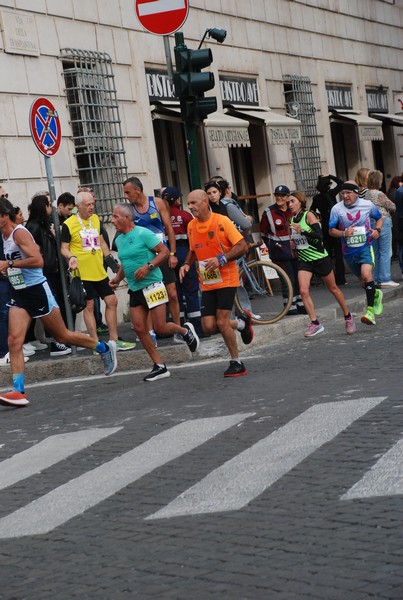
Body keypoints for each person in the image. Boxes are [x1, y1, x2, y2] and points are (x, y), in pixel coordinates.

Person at [0, 197, 117, 408]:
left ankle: (104, 348)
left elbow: (38, 261)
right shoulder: (4, 235)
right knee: (13, 340)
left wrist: (8, 263)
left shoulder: (19, 232)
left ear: (2, 216)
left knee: (62, 335)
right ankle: (18, 391)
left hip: (37, 291)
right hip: (20, 293)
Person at [110, 203, 199, 382]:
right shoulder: (119, 239)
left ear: (127, 218)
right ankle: (159, 365)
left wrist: (149, 266)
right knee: (139, 328)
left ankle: (185, 331)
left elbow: (164, 252)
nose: (112, 220)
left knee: (160, 327)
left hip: (152, 286)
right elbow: (125, 263)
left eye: (115, 217)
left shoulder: (144, 233)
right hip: (135, 289)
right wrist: (118, 278)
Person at [179, 189, 254, 378]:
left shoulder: (222, 221)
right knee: (208, 327)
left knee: (221, 322)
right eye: (188, 203)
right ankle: (242, 323)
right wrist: (187, 264)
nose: (190, 207)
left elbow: (243, 246)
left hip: (227, 278)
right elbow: (193, 249)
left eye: (194, 203)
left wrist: (222, 259)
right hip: (207, 281)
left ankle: (236, 362)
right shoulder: (191, 226)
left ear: (205, 202)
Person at [61, 191, 135, 351]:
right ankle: (95, 343)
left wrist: (114, 265)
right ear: (78, 206)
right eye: (87, 205)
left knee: (111, 301)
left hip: (98, 270)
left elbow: (102, 244)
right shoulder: (68, 224)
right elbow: (64, 248)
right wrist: (71, 256)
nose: (91, 207)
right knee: (89, 305)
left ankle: (114, 340)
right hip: (82, 272)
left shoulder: (95, 220)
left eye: (92, 204)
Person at [288, 191, 355, 337]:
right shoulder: (292, 219)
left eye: (292, 201)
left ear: (300, 201)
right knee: (304, 291)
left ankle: (348, 317)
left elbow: (319, 236)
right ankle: (315, 323)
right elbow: (299, 239)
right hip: (304, 259)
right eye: (289, 202)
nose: (290, 205)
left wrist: (303, 232)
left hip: (320, 258)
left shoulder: (309, 215)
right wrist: (295, 243)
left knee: (333, 288)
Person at [123, 177, 182, 340]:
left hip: (162, 254)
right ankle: (150, 333)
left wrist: (172, 253)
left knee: (173, 294)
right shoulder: (129, 210)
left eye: (128, 192)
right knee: (147, 296)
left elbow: (169, 228)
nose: (126, 196)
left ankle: (178, 330)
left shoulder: (158, 203)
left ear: (138, 190)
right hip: (145, 257)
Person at [329, 181, 384, 326]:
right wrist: (344, 233)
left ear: (356, 193)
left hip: (366, 246)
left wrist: (376, 230)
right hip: (348, 251)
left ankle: (370, 312)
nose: (345, 196)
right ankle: (376, 294)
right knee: (362, 281)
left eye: (348, 193)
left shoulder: (367, 205)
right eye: (343, 194)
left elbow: (379, 218)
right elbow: (331, 230)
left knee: (367, 275)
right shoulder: (336, 209)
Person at [162, 186, 202, 337]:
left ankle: (178, 329)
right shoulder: (185, 216)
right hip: (185, 255)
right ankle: (197, 328)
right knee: (191, 290)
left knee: (175, 293)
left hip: (168, 257)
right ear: (178, 200)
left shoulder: (161, 216)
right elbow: (194, 237)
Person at [260, 184, 305, 316]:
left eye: (282, 196)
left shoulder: (292, 210)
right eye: (277, 195)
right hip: (279, 253)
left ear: (287, 197)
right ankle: (289, 306)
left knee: (297, 278)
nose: (279, 198)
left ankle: (300, 304)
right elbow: (263, 233)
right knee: (287, 279)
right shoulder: (269, 212)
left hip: (296, 251)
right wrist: (273, 246)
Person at [365, 170, 398, 288]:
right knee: (386, 251)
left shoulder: (366, 194)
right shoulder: (379, 194)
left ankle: (374, 278)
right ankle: (384, 278)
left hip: (371, 222)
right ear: (378, 181)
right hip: (383, 221)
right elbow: (392, 206)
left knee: (375, 251)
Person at [311, 174, 346, 285]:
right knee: (338, 252)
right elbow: (341, 183)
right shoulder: (331, 194)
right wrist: (330, 175)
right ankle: (340, 278)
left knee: (328, 253)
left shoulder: (316, 198)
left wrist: (320, 217)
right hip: (335, 224)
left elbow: (312, 210)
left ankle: (330, 278)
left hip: (325, 225)